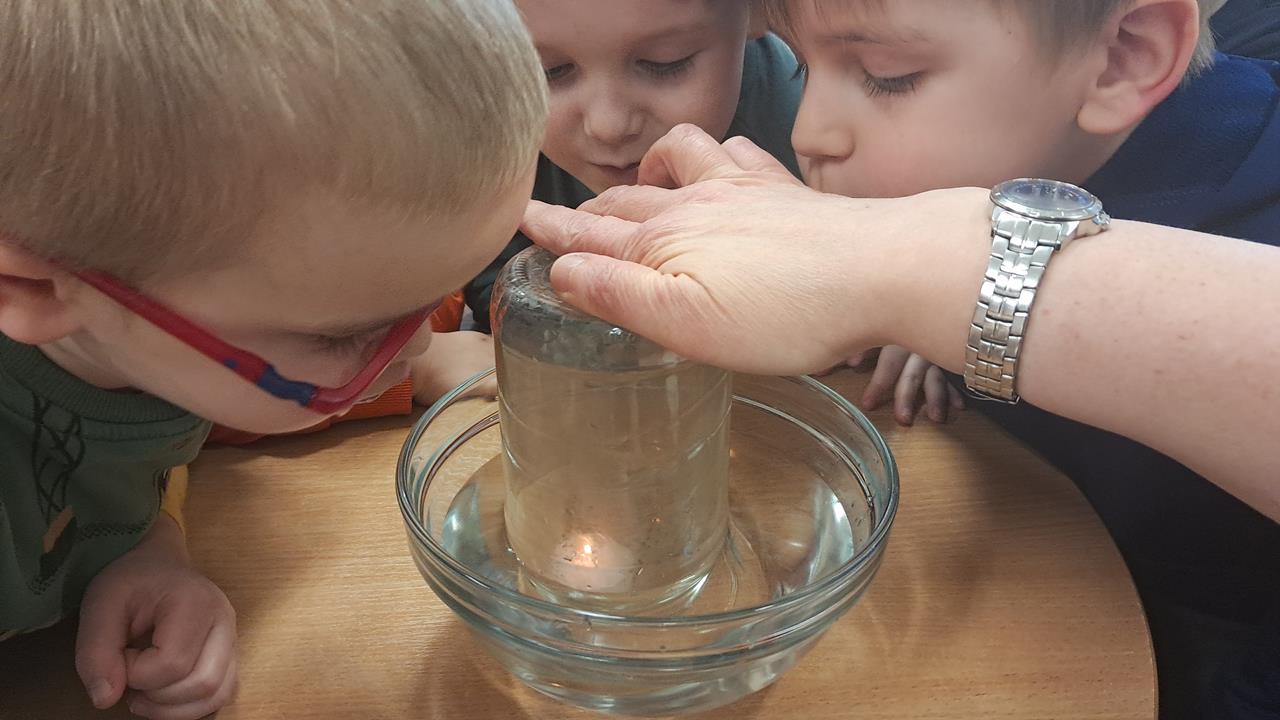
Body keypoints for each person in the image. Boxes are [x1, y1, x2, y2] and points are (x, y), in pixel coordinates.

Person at [520, 0, 1280, 713]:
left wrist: (920, 276)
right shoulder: (1003, 157)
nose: (809, 132)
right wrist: (933, 325)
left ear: (1123, 57)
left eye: (888, 76)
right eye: (803, 64)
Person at [0, 3, 545, 719]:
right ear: (36, 288)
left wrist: (148, 544)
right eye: (343, 336)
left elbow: (140, 451)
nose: (416, 348)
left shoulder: (141, 335)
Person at [405, 0, 828, 407]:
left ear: (762, 11)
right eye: (550, 71)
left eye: (664, 62)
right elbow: (492, 284)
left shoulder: (811, 131)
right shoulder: (495, 137)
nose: (608, 125)